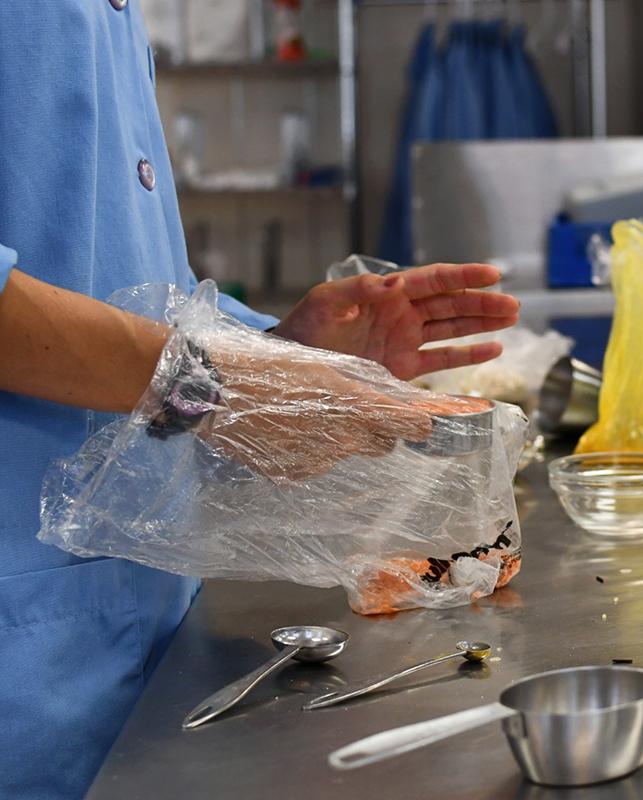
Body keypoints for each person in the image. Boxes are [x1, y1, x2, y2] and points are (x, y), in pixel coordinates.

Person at [0, 3, 519, 798]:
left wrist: (277, 355)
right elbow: (166, 376)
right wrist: (222, 384)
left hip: (134, 643)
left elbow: (109, 312)